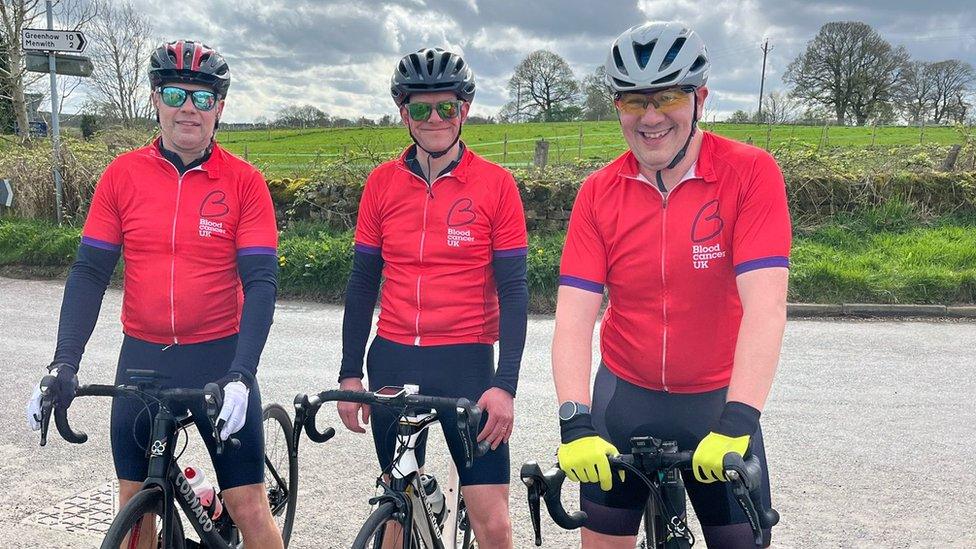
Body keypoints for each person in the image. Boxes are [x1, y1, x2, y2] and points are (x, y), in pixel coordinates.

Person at [25, 40, 284, 548]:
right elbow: (89, 273)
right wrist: (63, 362)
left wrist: (242, 373)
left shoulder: (244, 183)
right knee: (133, 505)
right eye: (175, 93)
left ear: (220, 108)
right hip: (142, 357)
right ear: (155, 99)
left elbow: (261, 283)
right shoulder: (123, 175)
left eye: (203, 97)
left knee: (247, 504)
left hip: (220, 355)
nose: (189, 106)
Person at [552, 22, 791, 548]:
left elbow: (766, 308)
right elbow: (572, 319)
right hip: (624, 398)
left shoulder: (750, 173)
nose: (652, 116)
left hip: (718, 404)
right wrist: (574, 422)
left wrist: (739, 419)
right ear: (617, 107)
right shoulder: (598, 193)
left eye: (669, 97)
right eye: (635, 102)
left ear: (700, 98)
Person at [335, 47, 528, 548]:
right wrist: (349, 371)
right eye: (421, 108)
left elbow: (513, 290)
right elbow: (361, 285)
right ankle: (419, 503)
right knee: (396, 506)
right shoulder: (381, 184)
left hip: (466, 361)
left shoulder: (496, 185)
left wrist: (505, 385)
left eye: (446, 107)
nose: (435, 118)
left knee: (493, 519)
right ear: (404, 113)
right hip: (393, 357)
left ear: (464, 109)